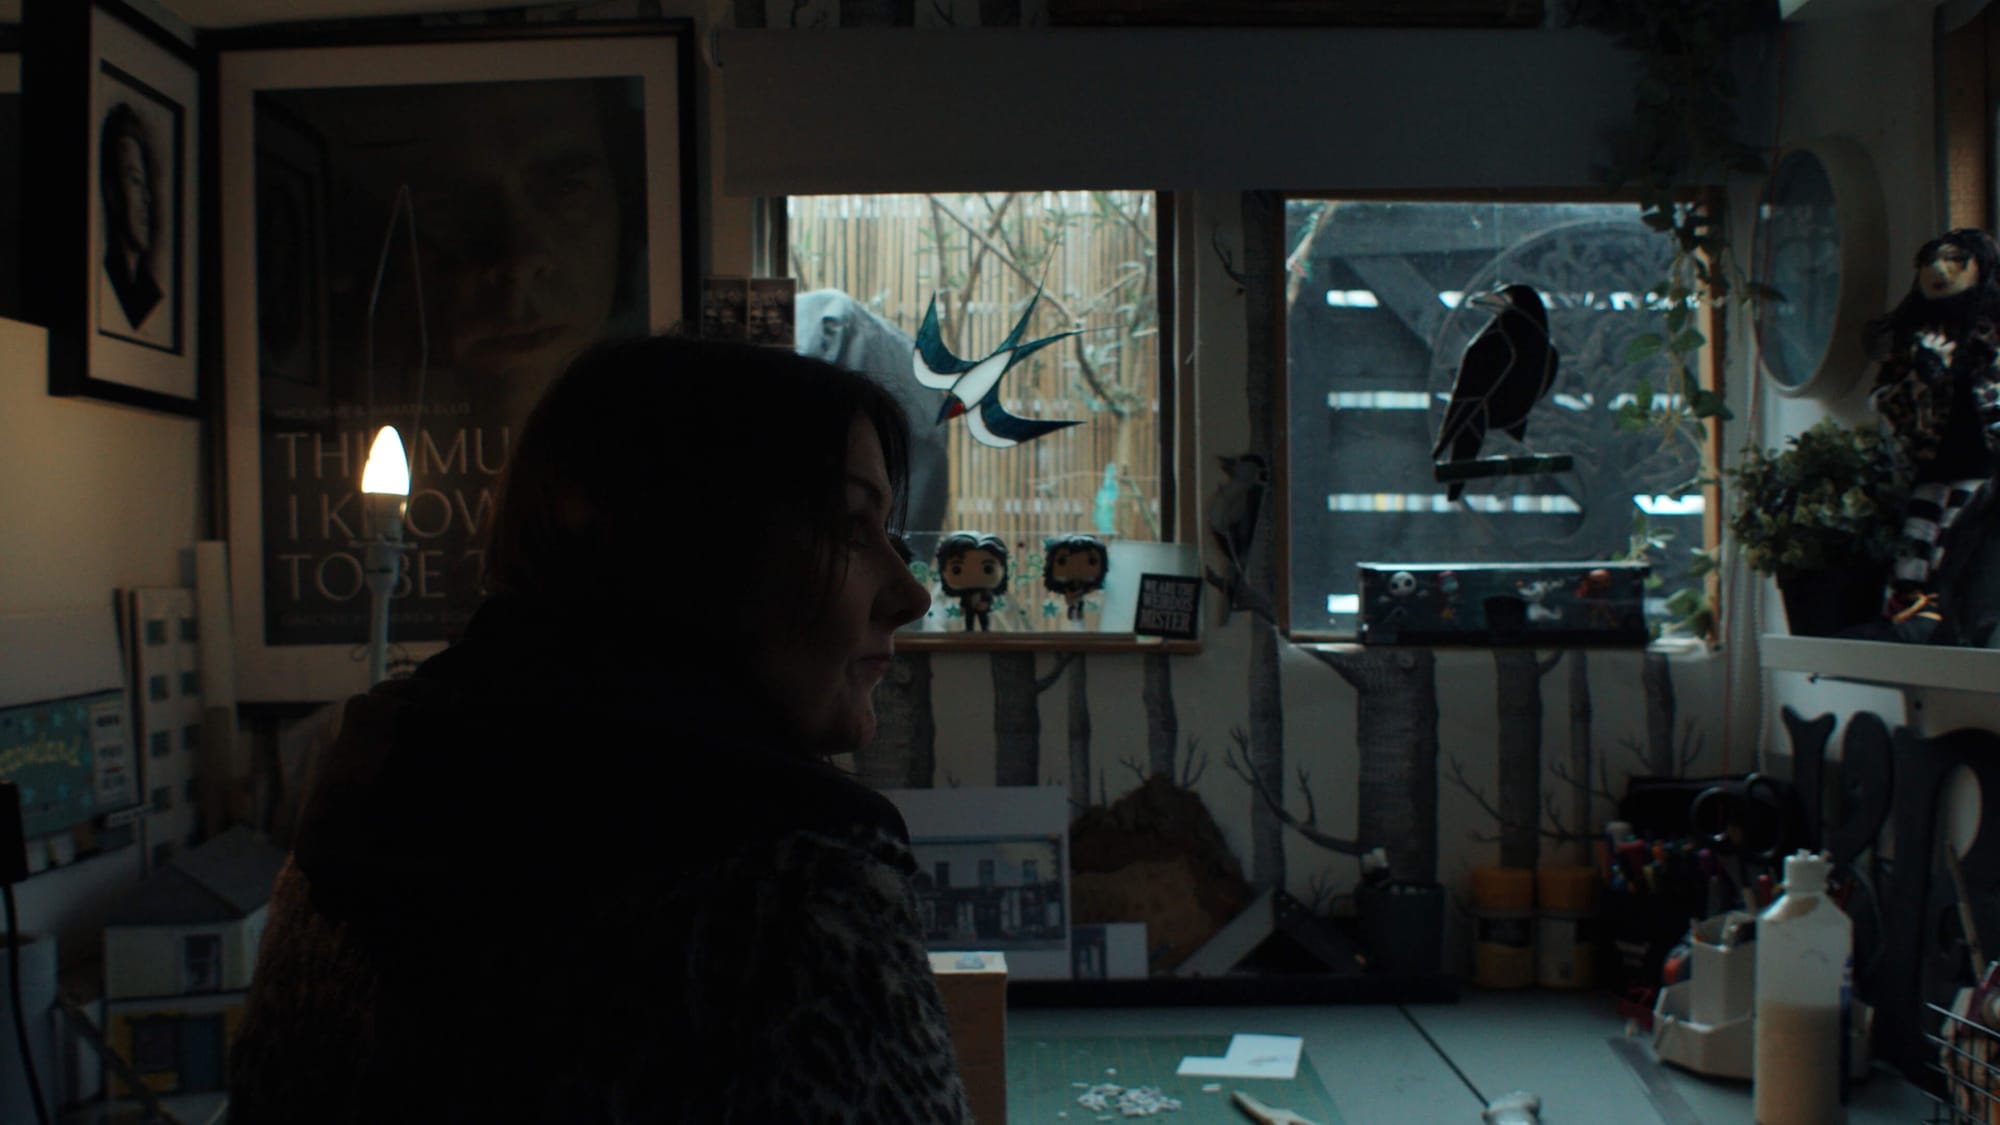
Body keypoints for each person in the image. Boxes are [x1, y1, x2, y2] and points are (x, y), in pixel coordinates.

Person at [227, 335, 968, 1123]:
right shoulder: (793, 898)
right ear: (699, 550)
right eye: (853, 529)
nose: (909, 593)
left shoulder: (359, 808)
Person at [1860, 228, 2000, 642]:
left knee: (1961, 540)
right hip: (1931, 461)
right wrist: (1923, 376)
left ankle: (1949, 621)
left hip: (1983, 462)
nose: (1940, 269)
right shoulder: (1916, 341)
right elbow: (1885, 402)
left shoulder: (1991, 335)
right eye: (1931, 261)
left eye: (1956, 259)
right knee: (1916, 539)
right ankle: (1910, 615)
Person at [99, 102, 163, 332]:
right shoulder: (108, 284)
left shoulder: (149, 294)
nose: (147, 198)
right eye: (135, 181)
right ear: (112, 193)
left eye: (146, 184)